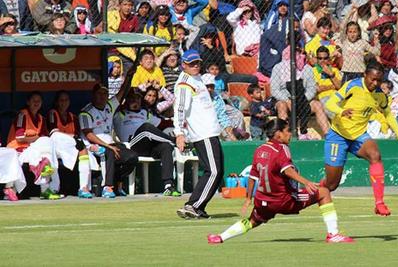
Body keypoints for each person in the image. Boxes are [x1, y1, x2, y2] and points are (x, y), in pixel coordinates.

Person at [207, 118, 354, 244]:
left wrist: (248, 198)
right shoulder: (282, 149)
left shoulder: (259, 150)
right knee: (324, 192)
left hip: (263, 201)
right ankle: (333, 234)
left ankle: (220, 237)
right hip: (284, 201)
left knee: (252, 221)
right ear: (278, 134)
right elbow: (287, 170)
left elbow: (252, 177)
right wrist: (306, 182)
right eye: (288, 130)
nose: (290, 134)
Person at [323, 61, 398, 216]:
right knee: (331, 185)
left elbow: (388, 115)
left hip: (358, 136)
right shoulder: (353, 85)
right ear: (365, 75)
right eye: (372, 79)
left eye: (378, 80)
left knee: (375, 155)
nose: (375, 83)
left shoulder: (380, 95)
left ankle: (379, 203)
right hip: (338, 135)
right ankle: (313, 190)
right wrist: (341, 111)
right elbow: (330, 103)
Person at [175, 50, 225, 219]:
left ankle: (198, 207)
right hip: (202, 133)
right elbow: (179, 110)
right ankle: (193, 205)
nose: (195, 66)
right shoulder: (184, 84)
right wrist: (179, 134)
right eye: (191, 63)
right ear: (184, 65)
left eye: (197, 63)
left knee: (217, 171)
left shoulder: (198, 79)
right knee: (213, 171)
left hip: (210, 131)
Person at [79, 73, 138, 198]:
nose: (102, 96)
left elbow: (122, 92)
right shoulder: (86, 112)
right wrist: (108, 146)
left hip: (111, 143)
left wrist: (129, 76)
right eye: (99, 93)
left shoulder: (109, 106)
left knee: (132, 157)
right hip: (94, 146)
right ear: (93, 95)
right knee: (108, 152)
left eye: (105, 94)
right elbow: (88, 134)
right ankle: (108, 187)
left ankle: (117, 181)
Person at [113, 89, 180, 196]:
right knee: (146, 128)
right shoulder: (120, 113)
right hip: (131, 146)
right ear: (128, 99)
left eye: (138, 98)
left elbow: (164, 123)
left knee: (166, 146)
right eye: (133, 98)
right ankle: (174, 141)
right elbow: (114, 103)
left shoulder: (145, 113)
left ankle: (168, 185)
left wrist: (181, 125)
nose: (136, 100)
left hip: (147, 145)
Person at [47, 91, 97, 198]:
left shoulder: (73, 117)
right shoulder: (53, 113)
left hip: (71, 145)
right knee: (73, 143)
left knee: (83, 150)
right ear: (56, 102)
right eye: (61, 100)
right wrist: (72, 137)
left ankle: (84, 188)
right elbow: (53, 132)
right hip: (57, 145)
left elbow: (78, 135)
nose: (64, 103)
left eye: (66, 100)